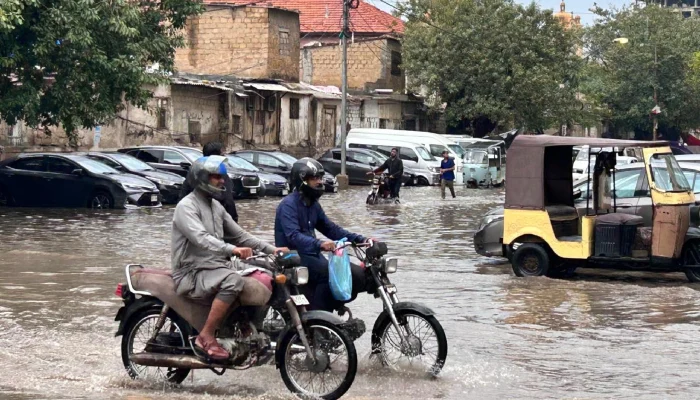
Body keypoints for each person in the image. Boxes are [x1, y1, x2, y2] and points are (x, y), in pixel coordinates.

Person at [172, 155, 286, 361]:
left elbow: (241, 235)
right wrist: (233, 249)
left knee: (264, 275)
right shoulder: (186, 206)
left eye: (222, 177)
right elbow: (201, 239)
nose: (222, 181)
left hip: (214, 267)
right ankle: (206, 336)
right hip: (191, 271)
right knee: (234, 281)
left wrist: (273, 250)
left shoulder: (216, 206)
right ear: (201, 178)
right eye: (216, 177)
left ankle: (246, 327)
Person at [275, 158, 372, 312]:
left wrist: (361, 239)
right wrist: (320, 244)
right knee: (328, 274)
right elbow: (293, 236)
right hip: (293, 257)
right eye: (314, 178)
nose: (320, 182)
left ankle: (334, 307)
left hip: (312, 255)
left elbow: (331, 229)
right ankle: (318, 317)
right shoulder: (288, 205)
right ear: (302, 180)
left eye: (320, 178)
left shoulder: (313, 204)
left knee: (357, 275)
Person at [180, 141, 238, 223]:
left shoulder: (194, 173)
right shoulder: (220, 176)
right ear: (215, 157)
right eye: (222, 155)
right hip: (214, 222)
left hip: (195, 219)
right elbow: (228, 202)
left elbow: (182, 197)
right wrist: (233, 221)